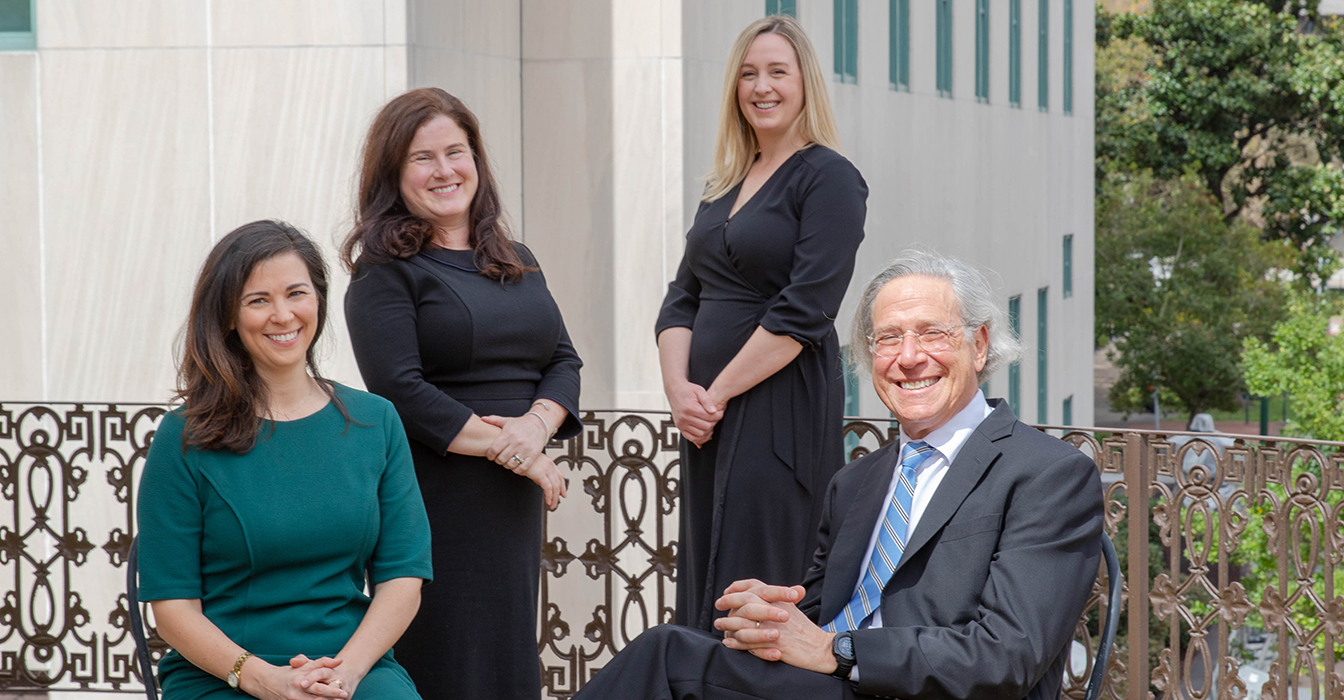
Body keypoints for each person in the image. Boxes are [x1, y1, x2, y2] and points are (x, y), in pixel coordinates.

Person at [576, 249, 1104, 700]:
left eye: (932, 334)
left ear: (980, 345)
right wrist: (773, 613)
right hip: (830, 684)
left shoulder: (1048, 474)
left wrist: (838, 650)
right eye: (888, 339)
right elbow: (819, 612)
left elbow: (1007, 656)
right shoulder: (856, 482)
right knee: (678, 657)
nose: (909, 357)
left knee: (668, 658)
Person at [341, 87, 582, 700]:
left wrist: (534, 429)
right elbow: (400, 389)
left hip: (509, 503)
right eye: (423, 158)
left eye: (456, 151)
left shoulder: (514, 257)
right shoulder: (384, 272)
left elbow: (562, 359)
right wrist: (515, 448)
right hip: (438, 495)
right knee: (452, 659)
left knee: (505, 655)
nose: (445, 170)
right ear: (394, 173)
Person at [137, 220, 433, 700]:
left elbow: (403, 577)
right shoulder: (184, 437)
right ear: (229, 316)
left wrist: (348, 672)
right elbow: (172, 608)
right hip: (224, 673)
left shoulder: (376, 421)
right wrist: (262, 678)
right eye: (258, 300)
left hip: (351, 665)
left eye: (296, 293)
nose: (283, 315)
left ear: (317, 299)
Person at [657, 15, 868, 633]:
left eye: (778, 71)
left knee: (759, 575)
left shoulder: (829, 177)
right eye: (748, 74)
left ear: (805, 83)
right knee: (706, 570)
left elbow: (805, 309)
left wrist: (714, 393)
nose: (761, 86)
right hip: (705, 421)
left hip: (777, 410)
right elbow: (680, 298)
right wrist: (679, 393)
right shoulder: (723, 185)